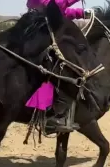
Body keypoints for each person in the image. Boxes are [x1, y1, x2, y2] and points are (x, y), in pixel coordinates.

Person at [26, 0, 88, 133]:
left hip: (46, 29)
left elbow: (62, 13)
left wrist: (82, 13)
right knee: (57, 67)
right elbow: (54, 6)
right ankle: (50, 115)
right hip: (38, 31)